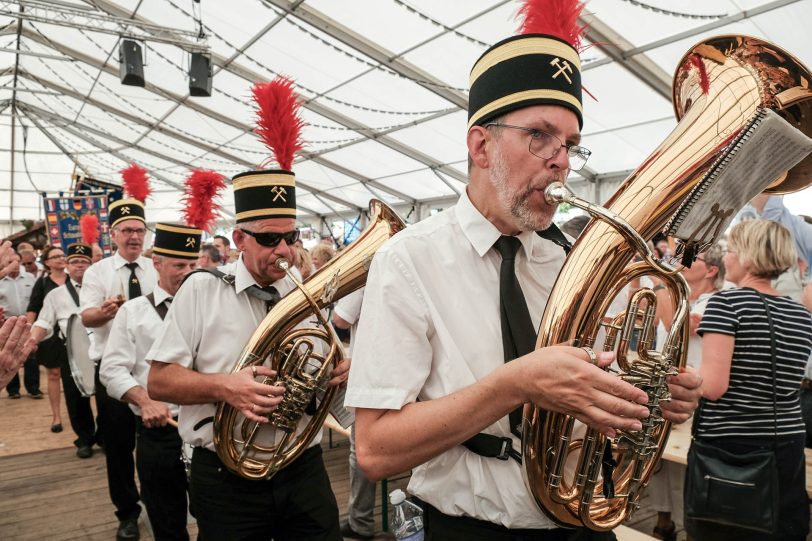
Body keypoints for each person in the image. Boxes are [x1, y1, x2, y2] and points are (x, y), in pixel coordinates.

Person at [344, 2, 702, 538]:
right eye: (539, 135)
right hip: (469, 527)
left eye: (571, 146)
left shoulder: (571, 259)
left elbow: (593, 382)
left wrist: (648, 394)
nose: (559, 160)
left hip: (582, 519)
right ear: (480, 145)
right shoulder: (408, 259)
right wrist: (516, 384)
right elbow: (374, 449)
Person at [148, 79, 346, 540]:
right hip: (225, 475)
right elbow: (159, 380)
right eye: (269, 238)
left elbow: (328, 373)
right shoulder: (201, 289)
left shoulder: (307, 292)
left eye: (291, 236)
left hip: (303, 465)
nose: (284, 249)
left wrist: (340, 371)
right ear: (239, 240)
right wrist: (225, 387)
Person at [689, 220, 812, 541]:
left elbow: (713, 387)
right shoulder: (801, 315)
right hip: (787, 442)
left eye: (730, 250)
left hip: (731, 449)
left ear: (748, 256)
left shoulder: (725, 304)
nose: (725, 258)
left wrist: (681, 375)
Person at [101, 224, 201, 541]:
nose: (188, 272)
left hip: (207, 428)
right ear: (156, 263)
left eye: (193, 265)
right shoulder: (133, 312)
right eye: (179, 265)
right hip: (159, 429)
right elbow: (112, 369)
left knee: (217, 516)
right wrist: (145, 400)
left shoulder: (209, 308)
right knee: (166, 518)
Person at [81, 198, 157, 541]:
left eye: (139, 230)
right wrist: (107, 311)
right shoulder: (98, 272)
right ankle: (127, 513)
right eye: (127, 230)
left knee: (157, 444)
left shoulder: (154, 269)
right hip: (113, 372)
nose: (134, 237)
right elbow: (86, 317)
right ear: (113, 234)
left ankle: (159, 503)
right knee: (119, 446)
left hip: (152, 370)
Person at [31, 243, 97, 458]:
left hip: (103, 348)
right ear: (68, 266)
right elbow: (44, 320)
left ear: (91, 265)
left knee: (108, 397)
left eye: (84, 262)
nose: (80, 266)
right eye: (75, 262)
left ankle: (105, 436)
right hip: (71, 351)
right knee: (76, 398)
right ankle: (84, 439)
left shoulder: (101, 289)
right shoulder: (55, 295)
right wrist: (31, 339)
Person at [333, 287, 375, 540]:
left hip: (370, 372)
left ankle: (361, 522)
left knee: (360, 451)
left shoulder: (369, 269)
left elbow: (340, 319)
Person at [26, 245, 69, 432]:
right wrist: (29, 333)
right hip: (51, 336)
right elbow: (33, 307)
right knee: (54, 374)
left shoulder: (75, 280)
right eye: (56, 256)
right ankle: (56, 417)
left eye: (62, 255)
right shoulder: (42, 283)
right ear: (47, 262)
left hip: (73, 334)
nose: (61, 258)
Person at [1, 252, 41, 399]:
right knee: (8, 356)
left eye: (18, 261)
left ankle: (33, 388)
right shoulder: (0, 281)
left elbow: (36, 301)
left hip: (27, 324)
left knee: (29, 355)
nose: (15, 264)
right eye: (11, 261)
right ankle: (13, 390)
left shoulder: (30, 278)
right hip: (6, 325)